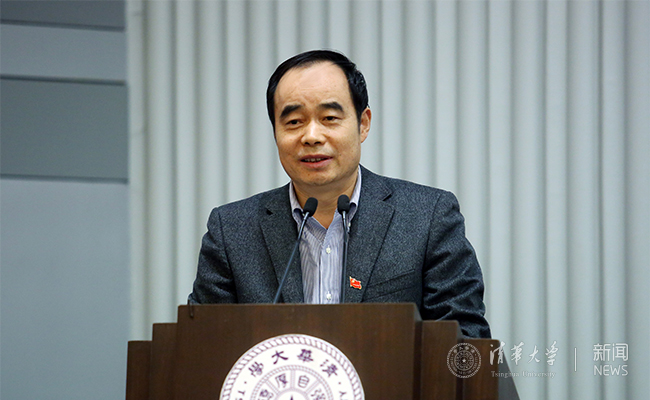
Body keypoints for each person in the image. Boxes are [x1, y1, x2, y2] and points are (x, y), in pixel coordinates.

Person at [189, 50, 490, 338]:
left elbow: (464, 343)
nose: (311, 136)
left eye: (330, 118)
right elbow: (202, 345)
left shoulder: (428, 217)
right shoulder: (231, 230)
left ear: (363, 124)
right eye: (294, 122)